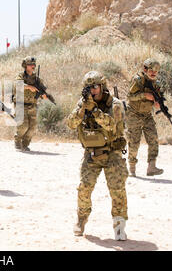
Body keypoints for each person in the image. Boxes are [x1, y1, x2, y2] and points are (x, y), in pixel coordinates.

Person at [67, 71, 128, 241]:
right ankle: (81, 219)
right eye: (89, 88)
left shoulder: (114, 104)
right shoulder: (83, 104)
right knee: (84, 188)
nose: (92, 90)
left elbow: (112, 126)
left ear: (102, 86)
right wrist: (82, 111)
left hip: (111, 153)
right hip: (92, 154)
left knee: (117, 190)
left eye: (95, 86)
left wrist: (94, 110)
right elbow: (71, 124)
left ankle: (119, 224)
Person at [126, 58, 164, 177]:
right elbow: (130, 96)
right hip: (134, 114)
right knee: (134, 141)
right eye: (151, 70)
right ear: (145, 69)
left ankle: (151, 167)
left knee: (153, 139)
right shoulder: (137, 80)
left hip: (147, 115)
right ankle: (132, 168)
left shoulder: (156, 83)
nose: (153, 73)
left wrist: (158, 104)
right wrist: (144, 95)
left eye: (156, 71)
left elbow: (158, 99)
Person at [12, 56, 48, 151]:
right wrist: (28, 87)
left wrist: (43, 95)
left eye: (34, 64)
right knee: (23, 126)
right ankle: (17, 141)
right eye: (30, 64)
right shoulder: (21, 76)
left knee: (32, 127)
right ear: (25, 66)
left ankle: (25, 144)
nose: (33, 66)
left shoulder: (37, 79)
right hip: (20, 104)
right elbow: (17, 85)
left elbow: (41, 90)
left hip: (32, 105)